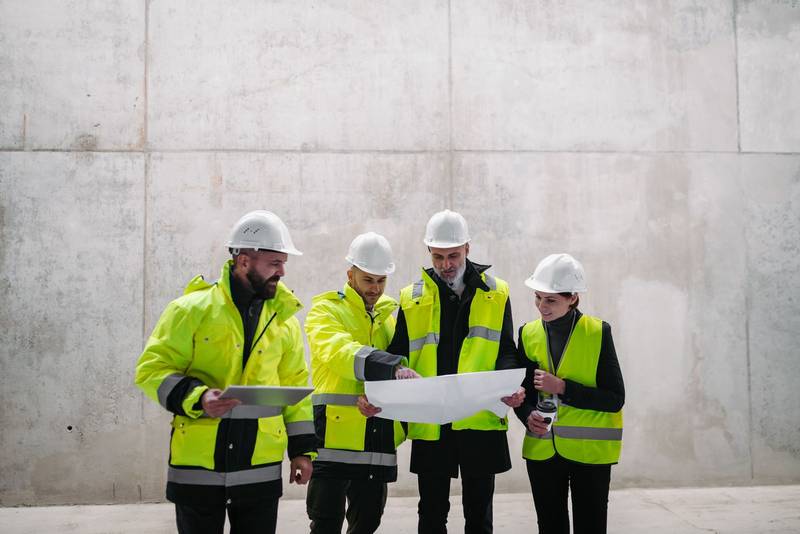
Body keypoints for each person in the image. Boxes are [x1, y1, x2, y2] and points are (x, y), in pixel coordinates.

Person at [134, 210, 316, 534]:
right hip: (199, 469)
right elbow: (152, 370)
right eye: (275, 263)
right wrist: (198, 397)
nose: (282, 272)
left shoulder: (284, 322)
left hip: (259, 468)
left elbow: (295, 385)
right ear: (244, 261)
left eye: (283, 263)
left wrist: (302, 451)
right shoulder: (189, 311)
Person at [380, 209, 525, 534]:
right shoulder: (411, 297)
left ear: (467, 249)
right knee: (431, 513)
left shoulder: (496, 292)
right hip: (433, 418)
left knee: (479, 513)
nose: (446, 264)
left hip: (479, 414)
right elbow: (398, 352)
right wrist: (396, 374)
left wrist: (511, 385)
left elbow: (506, 349)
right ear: (429, 252)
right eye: (438, 256)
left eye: (453, 255)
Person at [304, 232, 419, 534]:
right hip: (334, 439)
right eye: (368, 280)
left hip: (376, 436)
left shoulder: (389, 318)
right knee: (325, 523)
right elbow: (339, 351)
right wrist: (392, 367)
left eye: (381, 281)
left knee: (368, 522)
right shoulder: (326, 311)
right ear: (350, 275)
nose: (375, 289)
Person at [515, 253, 625, 534]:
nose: (542, 306)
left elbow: (615, 399)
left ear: (573, 298)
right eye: (538, 297)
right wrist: (527, 415)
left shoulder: (598, 332)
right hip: (542, 450)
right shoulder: (527, 333)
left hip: (590, 453)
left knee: (591, 526)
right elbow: (522, 394)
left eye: (551, 300)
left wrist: (563, 387)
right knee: (549, 526)